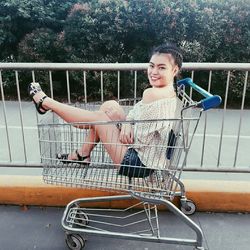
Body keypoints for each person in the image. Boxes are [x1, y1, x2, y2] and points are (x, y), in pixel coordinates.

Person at [29, 42, 183, 178]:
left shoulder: (152, 93)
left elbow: (135, 140)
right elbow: (136, 114)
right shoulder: (167, 92)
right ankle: (82, 154)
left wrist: (120, 125)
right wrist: (127, 123)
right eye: (151, 65)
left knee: (99, 118)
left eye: (161, 67)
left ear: (174, 70)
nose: (154, 72)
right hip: (145, 153)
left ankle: (46, 102)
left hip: (138, 164)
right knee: (111, 106)